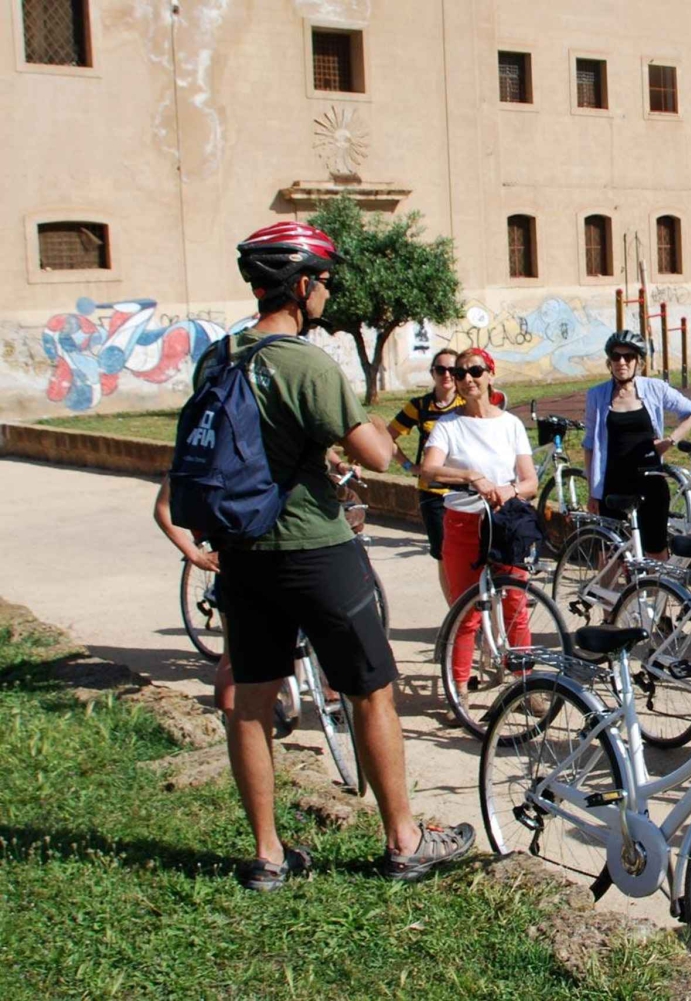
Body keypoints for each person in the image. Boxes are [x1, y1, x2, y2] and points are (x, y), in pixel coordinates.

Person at [208, 221, 473, 889]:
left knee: (251, 698)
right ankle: (404, 839)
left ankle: (268, 854)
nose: (328, 291)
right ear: (300, 285)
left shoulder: (219, 356)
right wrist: (373, 422)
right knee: (371, 689)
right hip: (315, 548)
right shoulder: (307, 363)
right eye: (323, 280)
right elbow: (378, 455)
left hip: (242, 550)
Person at [417, 347, 539, 718]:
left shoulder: (510, 424)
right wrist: (471, 476)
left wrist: (508, 490)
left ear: (490, 374)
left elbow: (530, 481)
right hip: (463, 522)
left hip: (504, 521)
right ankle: (458, 692)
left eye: (475, 371)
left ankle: (525, 684)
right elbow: (428, 470)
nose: (467, 379)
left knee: (515, 604)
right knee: (466, 611)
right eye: (459, 373)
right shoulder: (448, 425)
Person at [582, 330, 691, 559]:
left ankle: (656, 584)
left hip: (650, 481)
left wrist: (670, 440)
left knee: (656, 550)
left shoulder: (655, 388)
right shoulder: (597, 395)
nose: (622, 362)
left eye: (628, 357)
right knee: (609, 554)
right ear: (609, 362)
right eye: (616, 357)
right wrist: (592, 493)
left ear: (638, 362)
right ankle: (610, 585)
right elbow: (589, 446)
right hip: (613, 483)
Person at [387, 349, 465, 601]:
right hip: (433, 493)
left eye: (453, 370)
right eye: (440, 370)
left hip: (465, 489)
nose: (447, 375)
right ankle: (456, 612)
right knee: (444, 555)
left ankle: (473, 608)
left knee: (471, 554)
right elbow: (387, 437)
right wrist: (409, 466)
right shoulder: (419, 406)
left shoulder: (467, 404)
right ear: (432, 373)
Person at [153, 477, 234, 714]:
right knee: (236, 656)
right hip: (238, 560)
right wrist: (195, 555)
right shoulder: (205, 458)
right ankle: (227, 723)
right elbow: (162, 509)